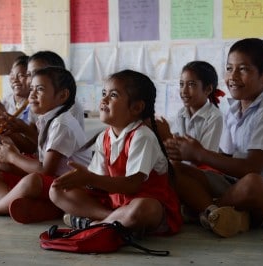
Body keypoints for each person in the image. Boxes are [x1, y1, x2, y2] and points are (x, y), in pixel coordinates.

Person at [164, 38, 263, 238]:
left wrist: (200, 154)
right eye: (229, 68)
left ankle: (206, 211)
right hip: (235, 184)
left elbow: (251, 168)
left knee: (251, 183)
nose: (232, 77)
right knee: (175, 170)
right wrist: (187, 154)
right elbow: (225, 160)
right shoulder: (232, 110)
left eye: (243, 69)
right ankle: (218, 215)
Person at [49, 69, 182, 236]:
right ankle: (111, 221)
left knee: (143, 209)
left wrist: (90, 178)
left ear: (136, 107)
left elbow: (133, 185)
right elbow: (99, 181)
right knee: (56, 190)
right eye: (104, 93)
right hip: (115, 205)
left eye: (113, 95)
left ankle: (94, 224)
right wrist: (82, 181)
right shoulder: (104, 137)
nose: (103, 99)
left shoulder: (142, 136)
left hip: (145, 205)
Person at [0, 66, 92, 224]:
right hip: (54, 183)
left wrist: (12, 156)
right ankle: (33, 206)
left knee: (32, 180)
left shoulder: (62, 124)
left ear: (62, 96)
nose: (32, 95)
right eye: (31, 88)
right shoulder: (47, 120)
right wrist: (6, 159)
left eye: (39, 89)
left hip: (75, 189)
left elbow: (45, 171)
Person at [157, 61, 225, 152]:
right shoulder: (182, 113)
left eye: (191, 84)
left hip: (199, 166)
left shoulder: (214, 117)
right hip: (183, 164)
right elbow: (175, 142)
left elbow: (205, 158)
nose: (184, 91)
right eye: (181, 84)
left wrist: (167, 136)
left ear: (208, 89)